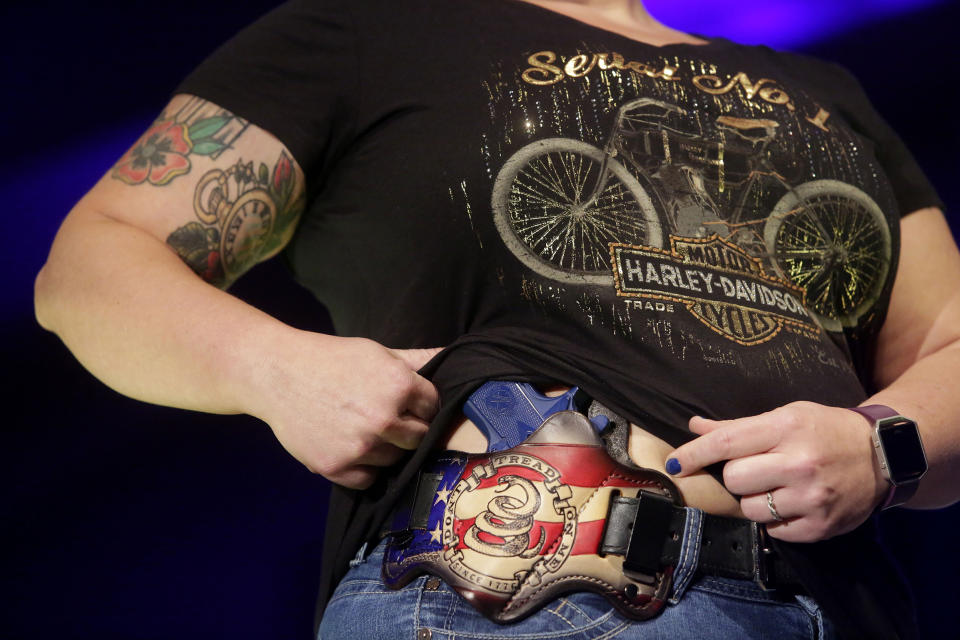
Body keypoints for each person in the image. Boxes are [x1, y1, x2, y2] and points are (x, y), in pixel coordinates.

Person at [34, 0, 959, 638]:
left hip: (840, 602)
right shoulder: (365, 29)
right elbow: (93, 262)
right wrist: (267, 366)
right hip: (518, 590)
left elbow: (947, 345)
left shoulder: (827, 91)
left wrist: (884, 444)